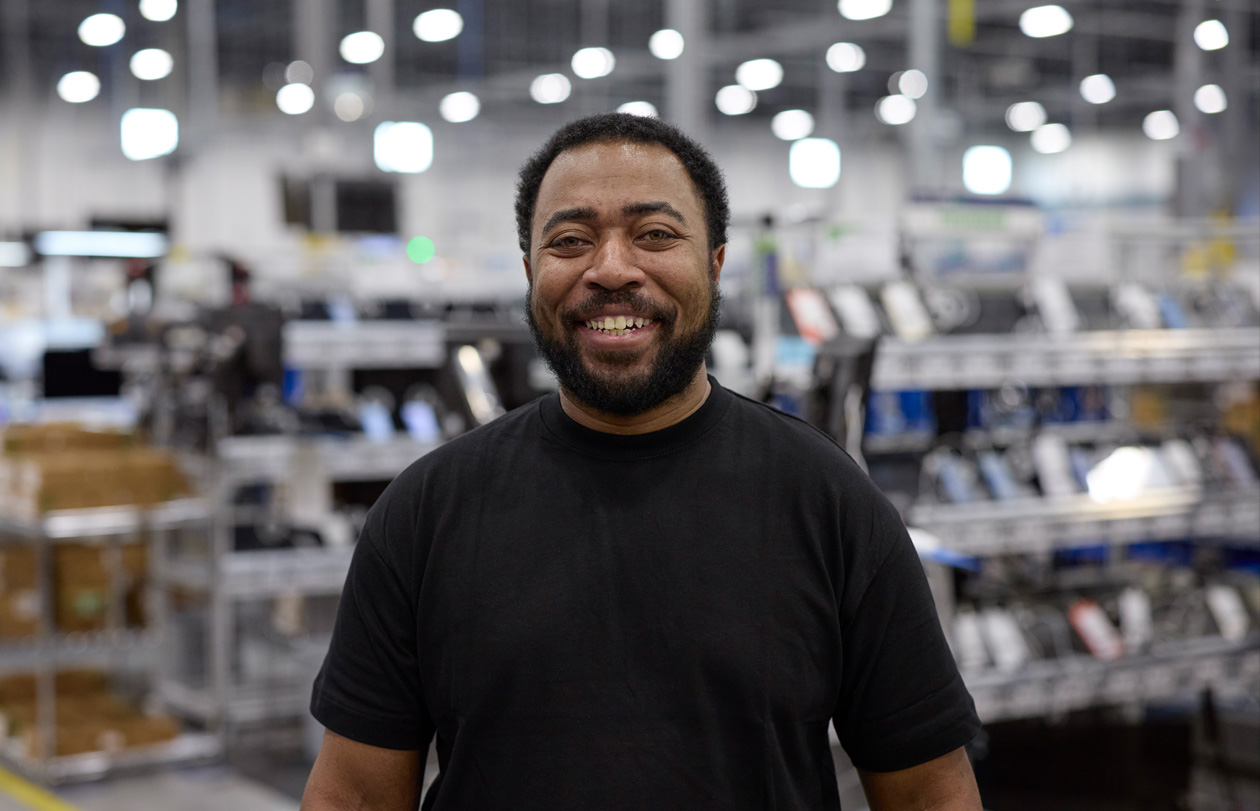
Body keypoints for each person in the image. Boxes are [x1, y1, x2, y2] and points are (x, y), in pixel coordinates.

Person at [301, 112, 983, 811]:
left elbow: (931, 791)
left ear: (714, 265)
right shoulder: (426, 513)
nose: (613, 269)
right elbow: (352, 795)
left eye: (655, 234)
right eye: (571, 241)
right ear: (532, 272)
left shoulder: (829, 502)